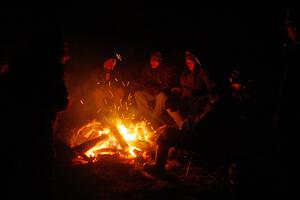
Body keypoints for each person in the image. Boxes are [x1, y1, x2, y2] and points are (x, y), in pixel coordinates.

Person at [134, 51, 179, 128]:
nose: (152, 62)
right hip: (151, 93)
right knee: (138, 94)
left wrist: (158, 89)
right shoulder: (148, 70)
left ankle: (154, 120)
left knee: (161, 96)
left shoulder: (165, 70)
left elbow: (169, 85)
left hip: (161, 93)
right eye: (151, 60)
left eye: (155, 61)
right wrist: (147, 87)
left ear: (160, 62)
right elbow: (143, 82)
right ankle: (147, 118)